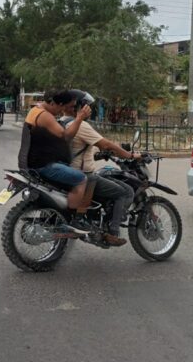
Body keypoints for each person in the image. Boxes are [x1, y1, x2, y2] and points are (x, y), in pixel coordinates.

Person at [60, 91, 139, 247]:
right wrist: (130, 155)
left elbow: (79, 147)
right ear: (80, 107)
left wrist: (97, 155)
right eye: (87, 106)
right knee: (124, 192)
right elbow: (106, 144)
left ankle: (96, 222)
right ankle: (112, 233)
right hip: (83, 175)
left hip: (67, 172)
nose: (90, 109)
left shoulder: (61, 122)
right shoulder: (81, 125)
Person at [18, 89, 93, 234]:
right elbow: (65, 136)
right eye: (61, 107)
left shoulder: (36, 110)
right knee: (81, 179)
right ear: (53, 103)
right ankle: (72, 220)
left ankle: (58, 212)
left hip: (34, 162)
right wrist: (79, 118)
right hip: (44, 165)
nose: (61, 111)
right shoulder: (45, 116)